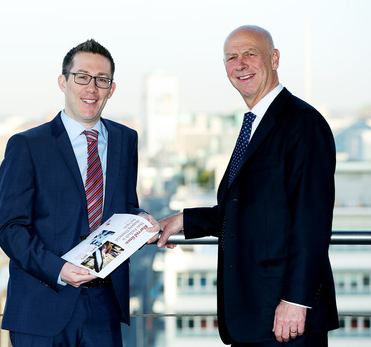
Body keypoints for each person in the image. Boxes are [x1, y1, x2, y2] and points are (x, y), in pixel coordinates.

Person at [154, 25, 339, 346]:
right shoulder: (254, 123)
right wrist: (184, 221)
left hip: (285, 318)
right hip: (253, 316)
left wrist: (296, 302)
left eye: (250, 54)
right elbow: (249, 208)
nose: (240, 64)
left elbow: (313, 221)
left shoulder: (302, 123)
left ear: (275, 59)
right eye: (231, 58)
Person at [0, 39, 159, 346]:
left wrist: (141, 221)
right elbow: (10, 228)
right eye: (82, 76)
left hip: (104, 307)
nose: (92, 88)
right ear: (64, 82)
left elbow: (123, 207)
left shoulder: (126, 140)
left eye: (102, 80)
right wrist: (60, 270)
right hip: (41, 307)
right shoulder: (27, 145)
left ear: (112, 89)